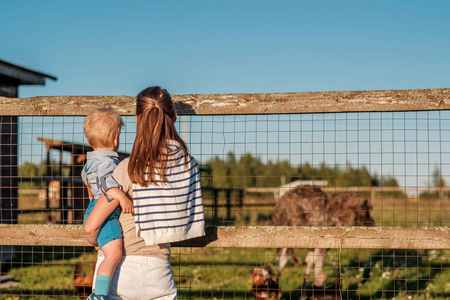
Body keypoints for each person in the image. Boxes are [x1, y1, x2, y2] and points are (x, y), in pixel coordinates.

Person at [84, 86, 205, 300]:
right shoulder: (188, 166)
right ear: (174, 117)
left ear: (137, 119)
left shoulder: (128, 168)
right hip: (159, 272)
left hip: (119, 272)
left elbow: (91, 224)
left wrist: (95, 241)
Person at [82, 108, 134, 300]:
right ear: (115, 139)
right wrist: (123, 198)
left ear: (89, 140)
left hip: (94, 210)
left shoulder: (92, 162)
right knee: (114, 255)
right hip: (106, 213)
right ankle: (100, 294)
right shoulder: (107, 162)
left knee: (108, 250)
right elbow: (106, 184)